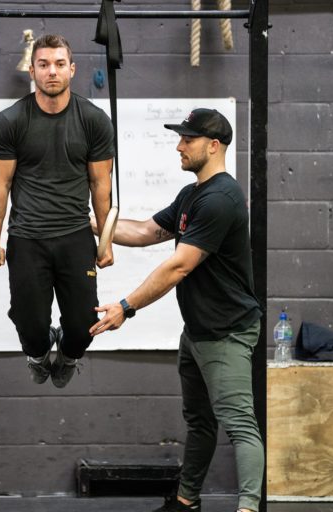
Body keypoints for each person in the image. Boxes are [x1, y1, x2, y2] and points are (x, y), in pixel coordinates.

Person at [88, 108, 264, 512]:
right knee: (200, 422)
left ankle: (249, 507)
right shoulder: (192, 196)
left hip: (228, 333)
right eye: (180, 138)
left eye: (188, 139)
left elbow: (179, 266)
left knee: (240, 426)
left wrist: (126, 307)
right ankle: (186, 502)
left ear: (213, 145)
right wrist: (94, 222)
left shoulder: (221, 199)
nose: (179, 146)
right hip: (198, 332)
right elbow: (148, 231)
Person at [0, 34, 115, 388]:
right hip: (27, 237)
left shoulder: (93, 120)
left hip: (75, 236)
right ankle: (39, 355)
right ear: (32, 70)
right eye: (43, 64)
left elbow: (101, 186)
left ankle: (69, 356)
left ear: (71, 69)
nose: (51, 72)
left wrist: (106, 241)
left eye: (59, 64)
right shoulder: (10, 121)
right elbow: (0, 189)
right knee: (30, 323)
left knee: (83, 325)